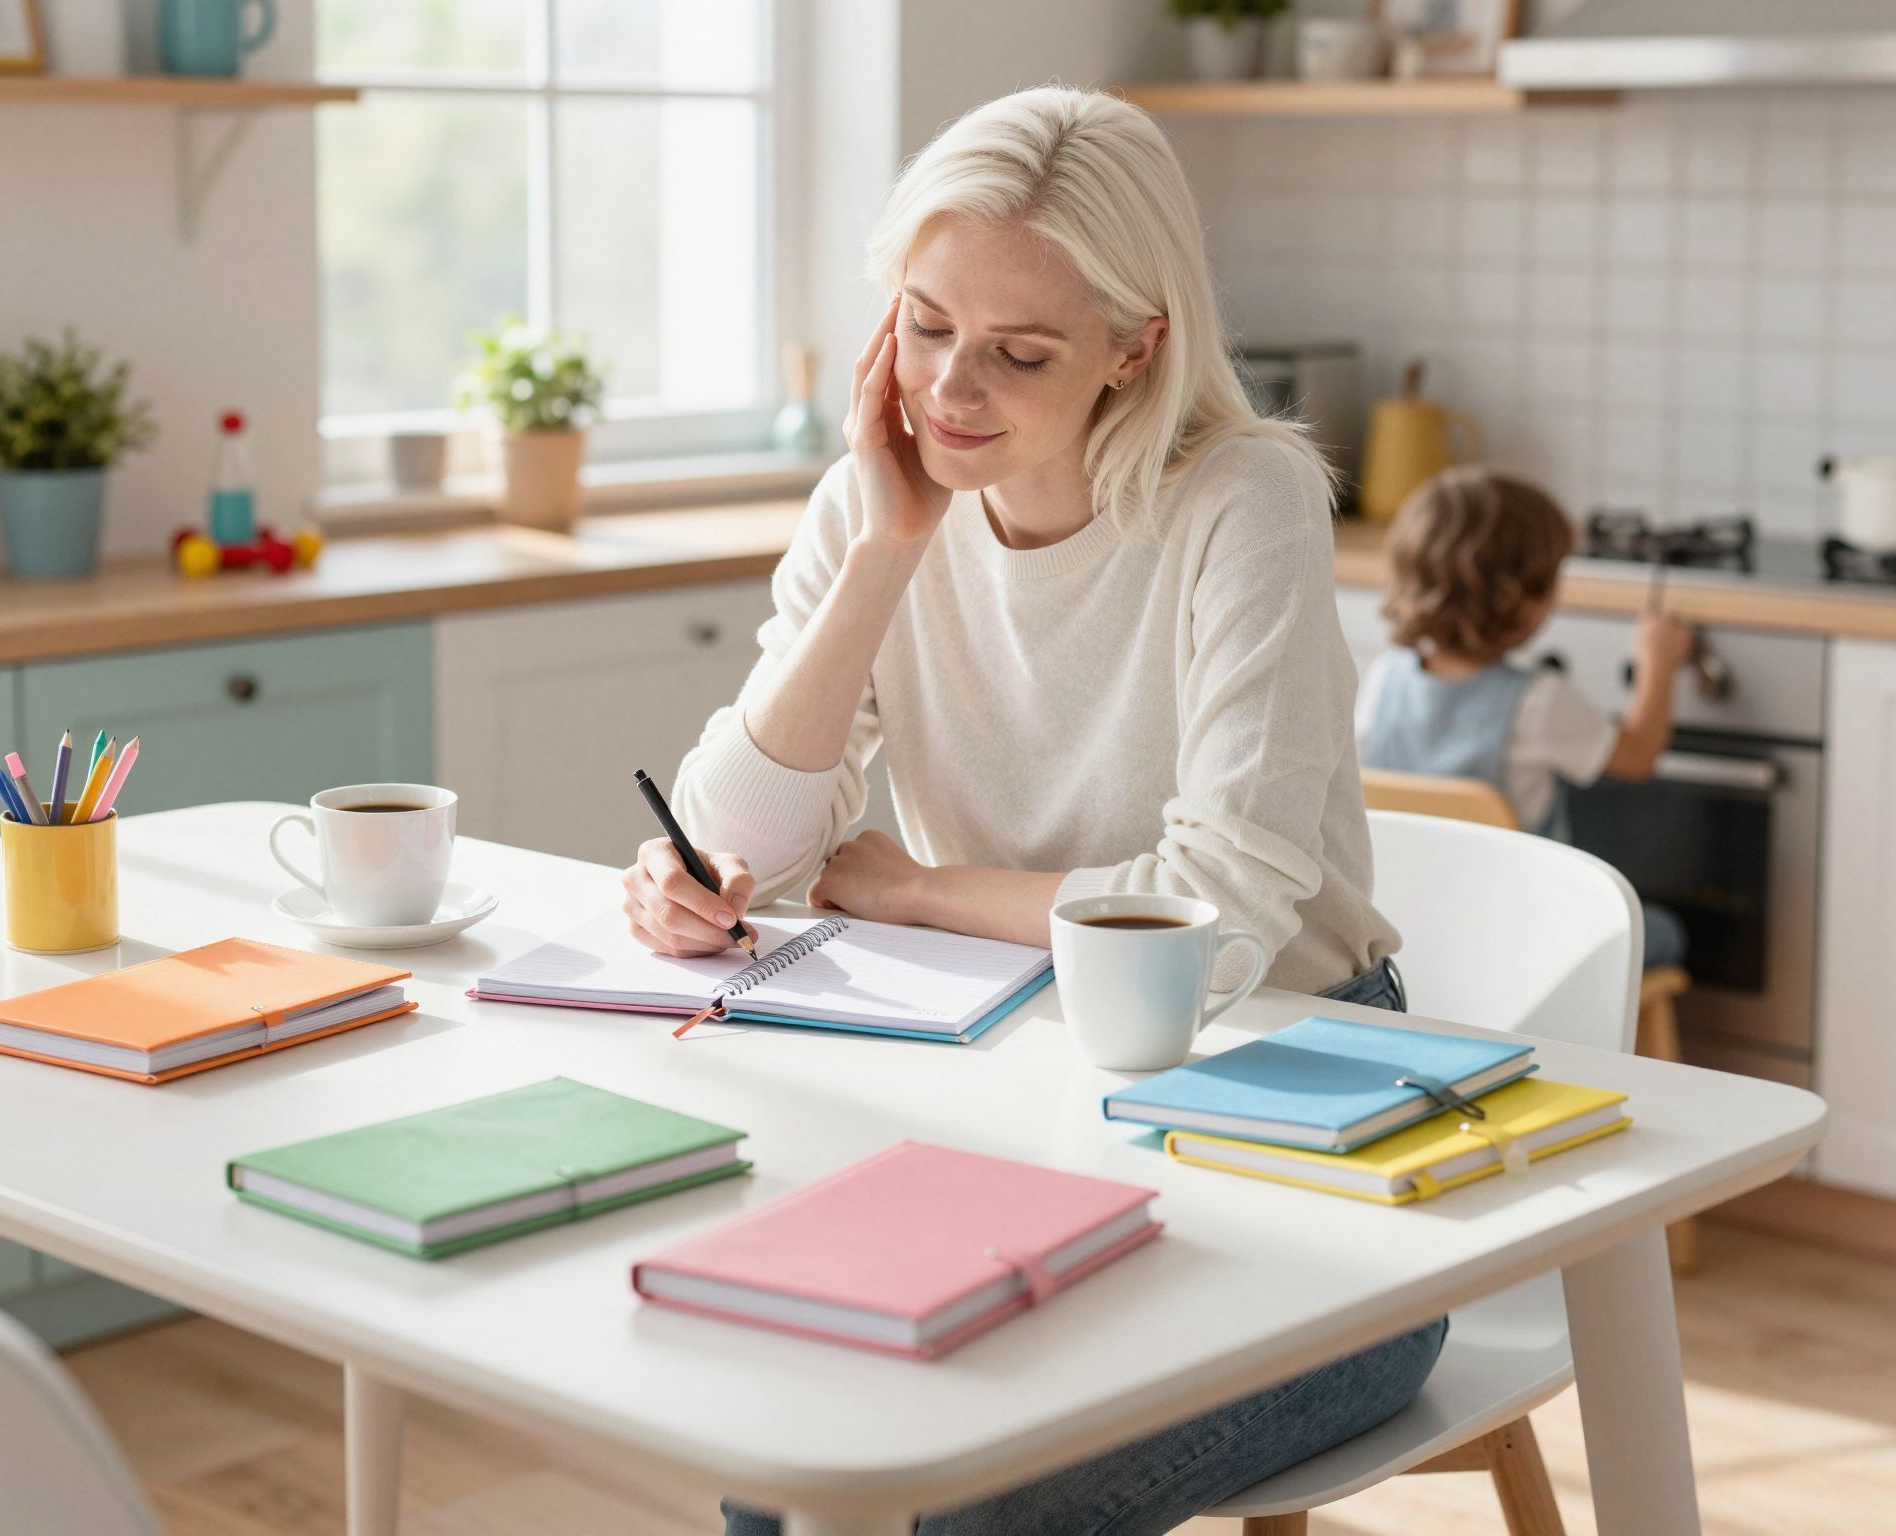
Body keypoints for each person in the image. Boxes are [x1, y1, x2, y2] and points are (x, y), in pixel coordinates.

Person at [618, 85, 1443, 1536]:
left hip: (1314, 1146)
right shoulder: (878, 499)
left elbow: (1219, 919)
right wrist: (885, 551)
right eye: (926, 325)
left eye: (1019, 352)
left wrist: (924, 890)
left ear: (1138, 349)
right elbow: (747, 842)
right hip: (1025, 1085)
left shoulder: (1241, 500)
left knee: (951, 1519)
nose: (950, 390)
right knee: (796, 1485)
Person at [1357, 467, 1694, 969]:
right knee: (1664, 931)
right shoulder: (1540, 701)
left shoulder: (1384, 680)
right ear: (1528, 602)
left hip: (1412, 937)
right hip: (1520, 942)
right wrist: (1658, 661)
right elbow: (1640, 754)